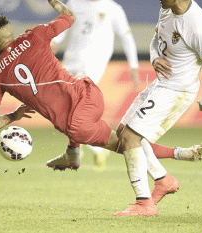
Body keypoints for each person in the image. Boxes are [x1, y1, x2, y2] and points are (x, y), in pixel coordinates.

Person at [0, 0, 202, 216]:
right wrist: (54, 2)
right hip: (90, 93)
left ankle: (154, 188)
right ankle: (74, 153)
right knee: (126, 136)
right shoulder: (34, 34)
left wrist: (13, 115)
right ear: (10, 32)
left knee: (124, 144)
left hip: (78, 123)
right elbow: (68, 17)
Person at [111, 0, 202, 216]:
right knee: (123, 132)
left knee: (131, 137)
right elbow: (156, 39)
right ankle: (163, 180)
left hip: (178, 90)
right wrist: (154, 58)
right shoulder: (166, 9)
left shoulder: (197, 24)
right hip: (161, 84)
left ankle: (144, 204)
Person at [50, 0, 140, 171]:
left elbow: (126, 37)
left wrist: (134, 66)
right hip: (71, 59)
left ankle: (76, 149)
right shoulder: (74, 3)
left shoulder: (112, 8)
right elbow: (64, 24)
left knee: (75, 99)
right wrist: (54, 41)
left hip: (94, 62)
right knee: (66, 106)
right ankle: (95, 147)